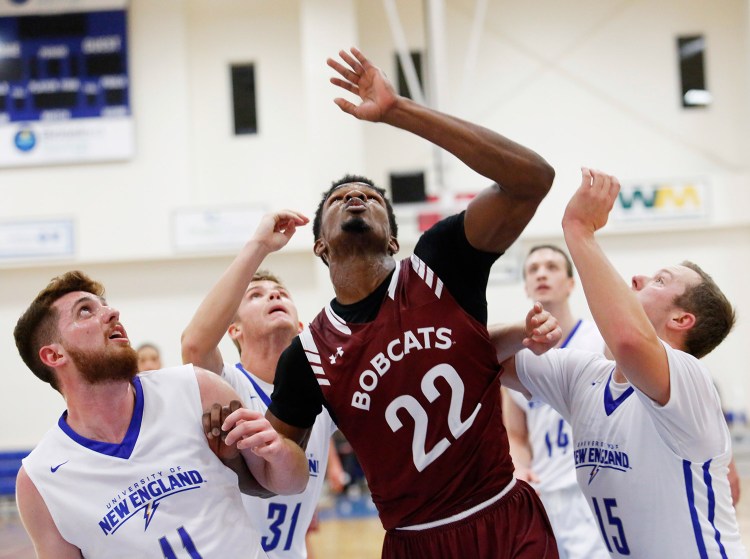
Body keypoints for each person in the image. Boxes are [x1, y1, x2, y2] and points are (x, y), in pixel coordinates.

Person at [235, 46, 560, 558]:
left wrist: (398, 112)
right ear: (320, 245)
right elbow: (264, 480)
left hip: (505, 519)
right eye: (340, 199)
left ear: (393, 240)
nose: (355, 196)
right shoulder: (309, 355)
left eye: (370, 195)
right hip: (416, 543)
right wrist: (243, 453)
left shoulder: (441, 265)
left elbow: (532, 179)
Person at [500, 168, 746, 558]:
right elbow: (483, 355)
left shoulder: (688, 376)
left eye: (659, 281)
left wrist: (579, 229)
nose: (637, 278)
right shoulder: (582, 374)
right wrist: (517, 329)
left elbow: (630, 340)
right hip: (555, 501)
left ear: (681, 320)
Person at [13, 269, 308, 558]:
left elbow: (290, 484)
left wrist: (278, 449)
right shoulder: (39, 480)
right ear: (53, 355)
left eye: (105, 305)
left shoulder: (198, 387)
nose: (112, 313)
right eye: (85, 312)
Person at [181, 210, 341, 559]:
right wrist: (259, 247)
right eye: (256, 295)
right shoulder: (225, 384)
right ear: (233, 331)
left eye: (281, 293)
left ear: (300, 327)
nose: (273, 296)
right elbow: (195, 345)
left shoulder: (319, 393)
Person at [502, 245, 610, 559]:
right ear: (525, 286)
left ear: (571, 284)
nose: (541, 273)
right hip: (544, 496)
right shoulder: (517, 359)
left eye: (551, 266)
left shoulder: (600, 340)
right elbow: (516, 434)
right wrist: (519, 464)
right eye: (533, 269)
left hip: (593, 491)